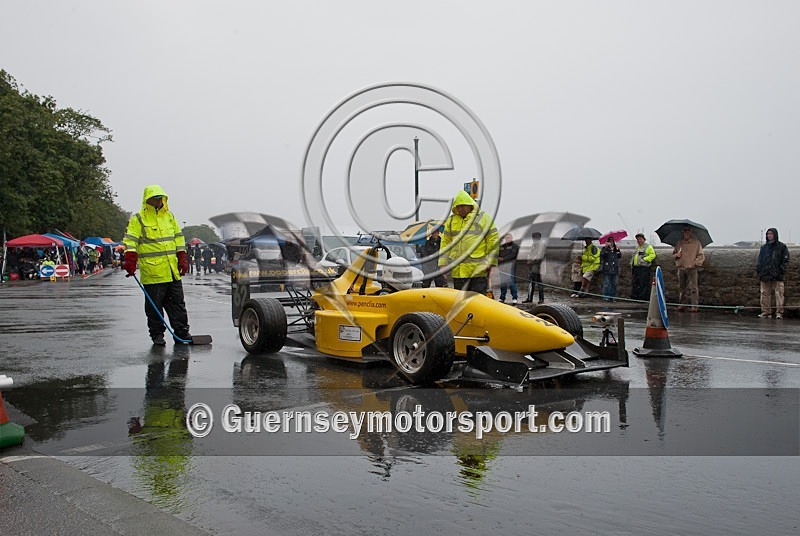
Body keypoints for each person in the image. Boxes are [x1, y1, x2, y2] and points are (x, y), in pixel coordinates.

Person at [123, 185, 192, 345]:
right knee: (154, 308)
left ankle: (182, 333)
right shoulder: (139, 219)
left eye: (160, 198)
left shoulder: (169, 217)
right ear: (147, 200)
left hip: (171, 270)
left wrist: (182, 257)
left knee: (178, 305)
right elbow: (131, 240)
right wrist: (131, 259)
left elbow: (179, 238)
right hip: (153, 272)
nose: (158, 201)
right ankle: (157, 335)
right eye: (155, 198)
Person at [438, 190, 500, 294]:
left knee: (478, 303)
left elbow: (493, 239)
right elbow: (445, 243)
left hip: (478, 272)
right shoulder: (451, 220)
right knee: (460, 304)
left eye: (462, 206)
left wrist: (492, 262)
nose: (460, 209)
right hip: (458, 273)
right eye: (458, 206)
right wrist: (442, 264)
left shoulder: (483, 218)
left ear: (470, 205)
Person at [756, 227, 790, 319]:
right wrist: (760, 270)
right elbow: (760, 260)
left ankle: (779, 312)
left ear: (775, 235)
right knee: (764, 293)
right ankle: (766, 311)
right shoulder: (764, 248)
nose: (769, 235)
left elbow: (785, 260)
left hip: (777, 274)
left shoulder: (781, 247)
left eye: (771, 234)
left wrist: (781, 270)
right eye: (768, 234)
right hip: (765, 273)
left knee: (779, 294)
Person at [673, 227, 705, 312]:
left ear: (691, 232)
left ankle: (694, 306)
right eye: (684, 232)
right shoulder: (679, 243)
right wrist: (677, 255)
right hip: (681, 267)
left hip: (692, 268)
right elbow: (674, 254)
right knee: (681, 287)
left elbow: (701, 255)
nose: (686, 233)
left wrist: (695, 263)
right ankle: (682, 304)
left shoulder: (696, 243)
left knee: (693, 288)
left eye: (688, 232)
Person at [630, 233, 656, 301]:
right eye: (638, 239)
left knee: (643, 283)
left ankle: (643, 297)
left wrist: (644, 259)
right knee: (636, 282)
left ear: (644, 239)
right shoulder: (637, 247)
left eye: (640, 239)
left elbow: (652, 255)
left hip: (643, 267)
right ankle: (636, 296)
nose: (639, 240)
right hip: (636, 267)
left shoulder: (648, 247)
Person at [523, 232, 546, 303]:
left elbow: (539, 255)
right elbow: (530, 253)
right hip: (533, 265)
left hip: (538, 265)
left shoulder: (542, 244)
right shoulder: (534, 244)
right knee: (531, 282)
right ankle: (530, 298)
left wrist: (531, 261)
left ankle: (541, 299)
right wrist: (528, 259)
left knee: (539, 282)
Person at [497, 233, 519, 304]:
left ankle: (515, 298)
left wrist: (503, 259)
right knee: (503, 283)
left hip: (510, 267)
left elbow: (512, 255)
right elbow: (497, 255)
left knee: (512, 283)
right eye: (506, 238)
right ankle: (502, 297)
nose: (508, 239)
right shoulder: (501, 246)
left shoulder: (515, 246)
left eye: (509, 238)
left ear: (512, 238)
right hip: (502, 267)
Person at [600, 237, 622, 301]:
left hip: (614, 268)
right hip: (607, 268)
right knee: (607, 283)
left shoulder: (616, 249)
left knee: (614, 283)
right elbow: (602, 255)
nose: (611, 243)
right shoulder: (605, 248)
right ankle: (606, 296)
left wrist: (618, 249)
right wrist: (606, 248)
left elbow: (619, 256)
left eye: (612, 241)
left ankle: (613, 296)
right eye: (610, 241)